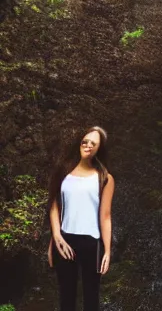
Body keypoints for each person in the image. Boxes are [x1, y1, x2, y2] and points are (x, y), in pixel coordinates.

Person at [47, 126, 115, 311]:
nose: (88, 145)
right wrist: (56, 237)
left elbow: (106, 216)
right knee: (66, 298)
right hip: (65, 240)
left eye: (93, 143)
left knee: (91, 300)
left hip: (91, 243)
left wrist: (107, 251)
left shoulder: (104, 178)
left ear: (99, 149)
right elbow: (54, 205)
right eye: (85, 141)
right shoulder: (64, 171)